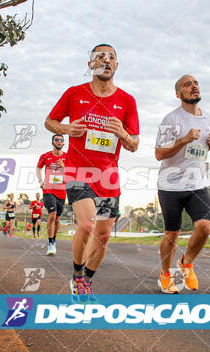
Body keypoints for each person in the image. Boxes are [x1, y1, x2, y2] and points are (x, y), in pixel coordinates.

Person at [44, 43, 139, 302]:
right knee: (87, 225)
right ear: (90, 65)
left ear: (117, 66)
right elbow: (49, 122)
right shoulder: (74, 93)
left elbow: (134, 144)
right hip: (78, 171)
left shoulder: (127, 101)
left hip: (108, 177)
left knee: (104, 235)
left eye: (111, 58)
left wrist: (121, 133)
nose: (106, 61)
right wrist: (67, 130)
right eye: (100, 57)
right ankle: (76, 276)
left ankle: (86, 280)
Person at [154, 74, 210, 293]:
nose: (194, 87)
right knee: (172, 234)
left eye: (196, 83)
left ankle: (187, 263)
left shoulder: (207, 117)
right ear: (178, 94)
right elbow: (159, 153)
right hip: (171, 185)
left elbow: (201, 151)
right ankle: (165, 274)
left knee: (205, 227)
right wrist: (184, 140)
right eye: (187, 84)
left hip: (197, 182)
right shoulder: (171, 119)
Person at [37, 134, 68, 255]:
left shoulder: (67, 157)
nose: (59, 141)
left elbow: (72, 172)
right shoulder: (45, 156)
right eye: (56, 139)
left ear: (63, 143)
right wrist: (40, 180)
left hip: (62, 190)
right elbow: (38, 168)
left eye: (61, 140)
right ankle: (50, 243)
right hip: (48, 189)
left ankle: (54, 240)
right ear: (52, 142)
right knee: (52, 215)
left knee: (58, 218)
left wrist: (64, 167)